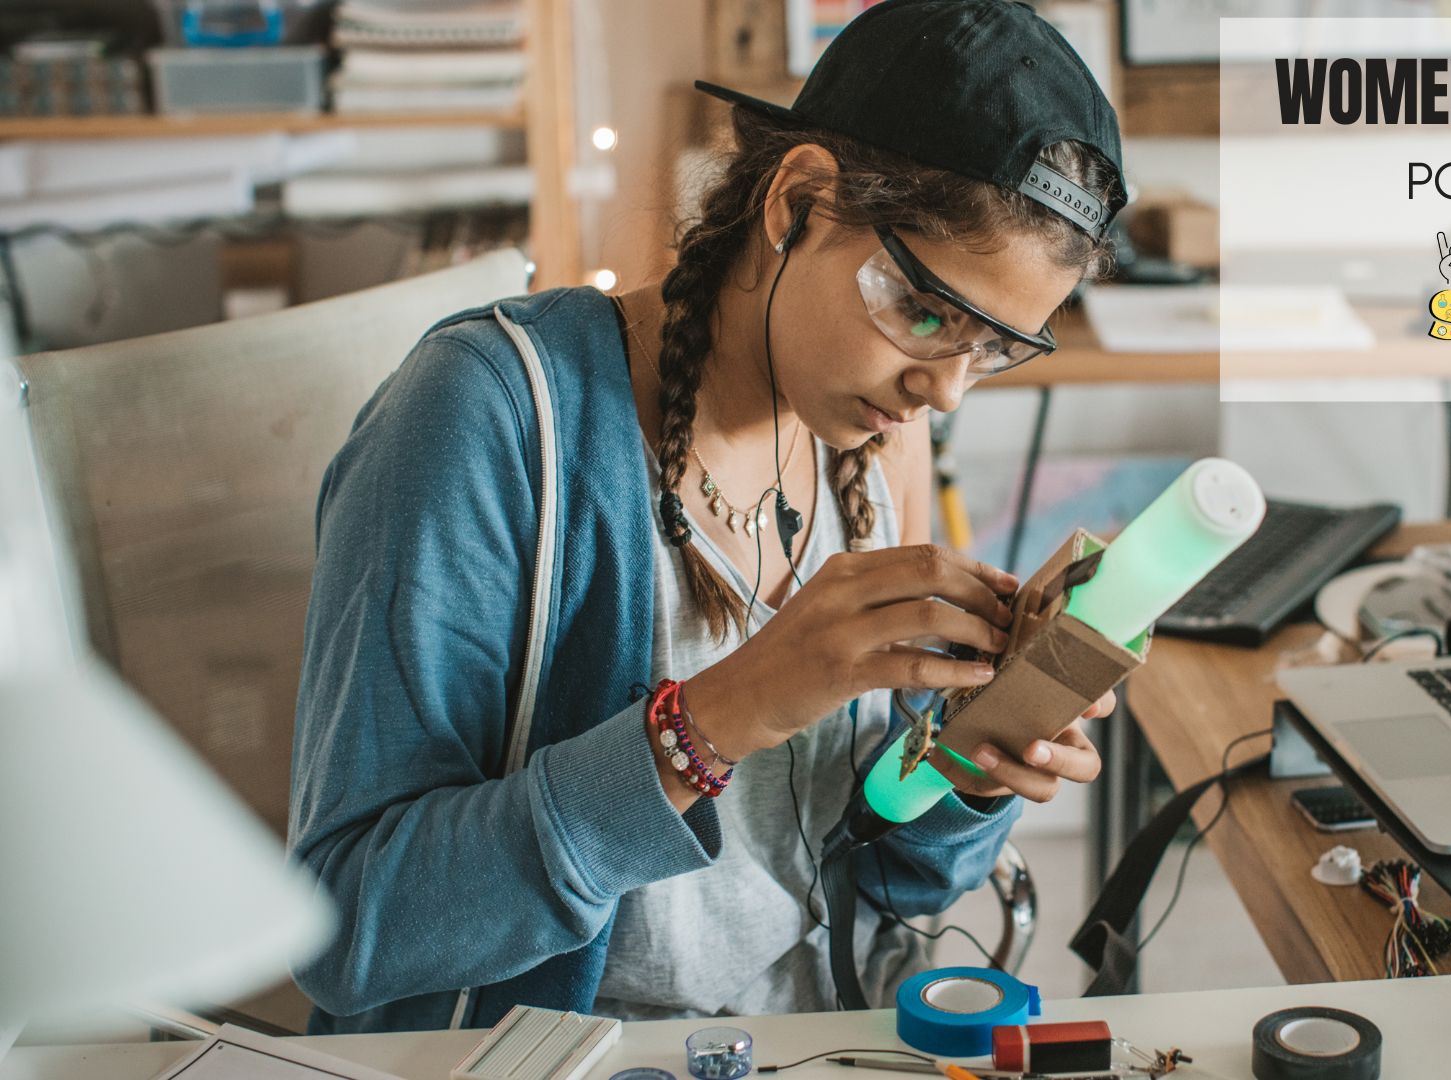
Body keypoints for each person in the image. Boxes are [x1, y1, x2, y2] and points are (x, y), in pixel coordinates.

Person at [287, 0, 1129, 1035]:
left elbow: (891, 886)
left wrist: (966, 766)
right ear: (800, 200)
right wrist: (720, 718)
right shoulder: (484, 416)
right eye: (926, 313)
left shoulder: (873, 443)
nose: (946, 393)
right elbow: (345, 929)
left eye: (994, 347)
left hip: (815, 1035)